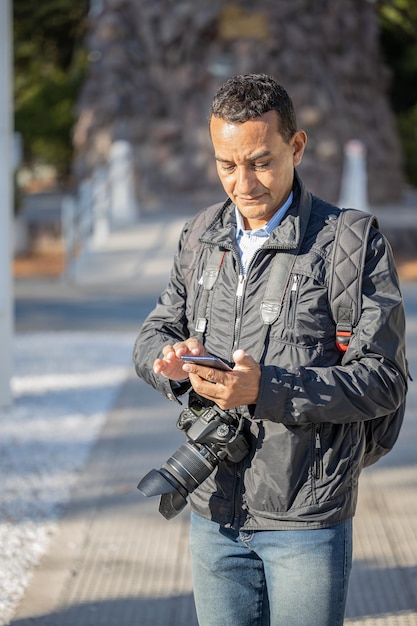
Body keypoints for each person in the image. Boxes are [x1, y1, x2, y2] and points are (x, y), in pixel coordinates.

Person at [133, 74, 407, 626]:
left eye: (260, 161)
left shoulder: (352, 241)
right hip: (212, 508)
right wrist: (171, 363)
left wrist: (266, 389)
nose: (243, 183)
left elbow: (384, 380)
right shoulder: (199, 234)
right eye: (226, 165)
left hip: (307, 517)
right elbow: (152, 333)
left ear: (296, 147)